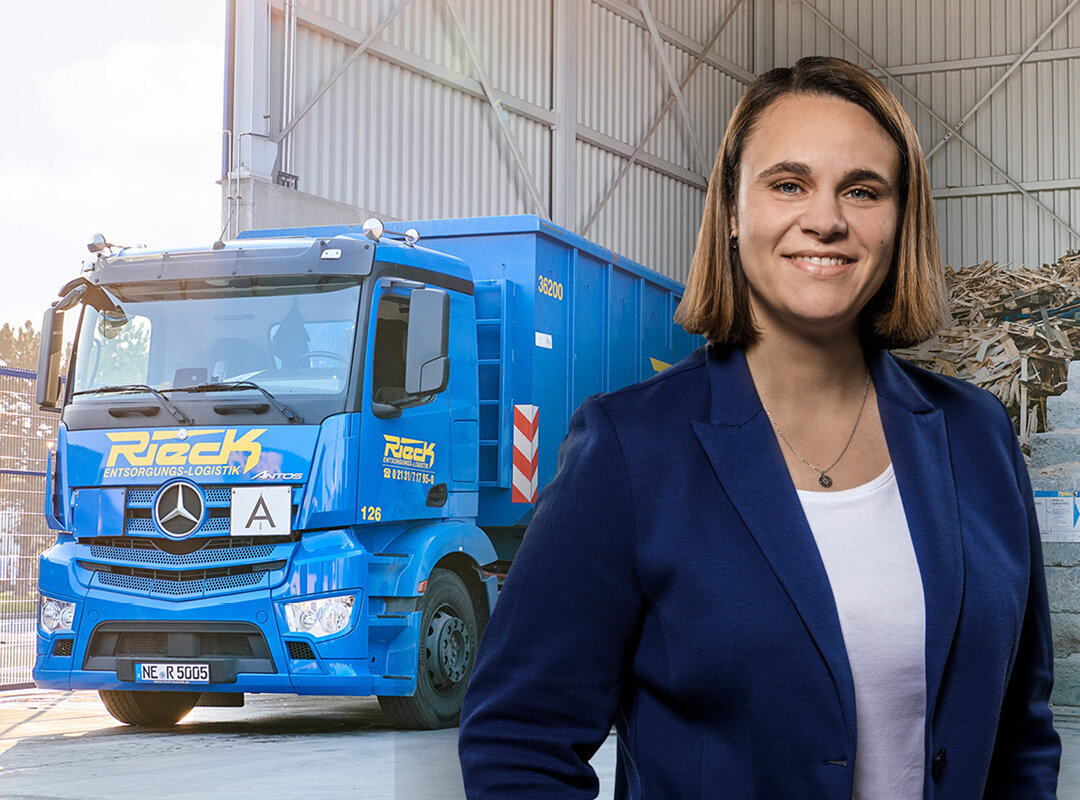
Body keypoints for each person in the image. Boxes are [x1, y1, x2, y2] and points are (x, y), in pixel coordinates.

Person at [457, 56, 1061, 799]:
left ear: (901, 220)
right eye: (788, 183)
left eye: (863, 190)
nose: (828, 219)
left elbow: (1021, 732)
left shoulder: (978, 437)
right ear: (734, 213)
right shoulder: (632, 450)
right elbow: (518, 739)